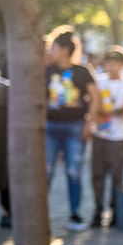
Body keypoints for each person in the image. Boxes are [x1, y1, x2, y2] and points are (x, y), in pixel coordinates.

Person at [45, 26, 99, 231]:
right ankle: (41, 214)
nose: (51, 51)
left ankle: (75, 214)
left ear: (65, 50)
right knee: (46, 171)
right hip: (50, 128)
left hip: (75, 129)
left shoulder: (82, 71)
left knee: (73, 172)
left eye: (54, 47)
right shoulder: (47, 71)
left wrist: (89, 124)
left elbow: (95, 99)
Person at [91, 46, 123, 228]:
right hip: (100, 133)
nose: (111, 66)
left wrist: (116, 111)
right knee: (97, 173)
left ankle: (115, 211)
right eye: (109, 62)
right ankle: (98, 209)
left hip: (119, 135)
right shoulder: (98, 80)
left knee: (116, 176)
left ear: (122, 65)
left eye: (116, 63)